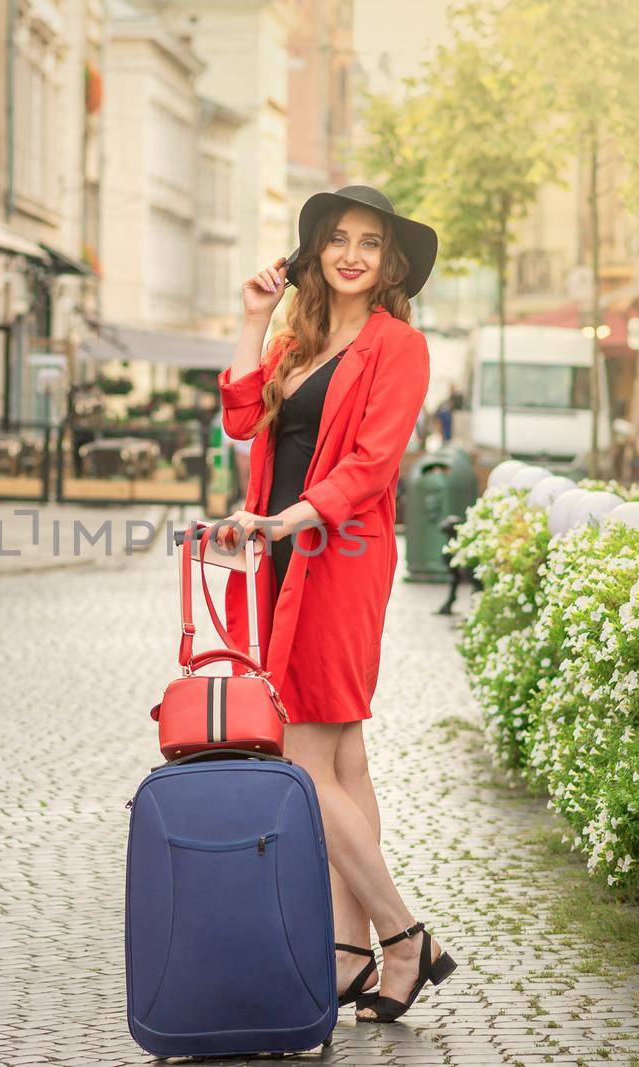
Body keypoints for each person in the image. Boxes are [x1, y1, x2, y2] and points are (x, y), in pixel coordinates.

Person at [212, 184, 459, 1023]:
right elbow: (244, 420)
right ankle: (354, 952)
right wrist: (254, 317)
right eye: (337, 239)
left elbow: (372, 460)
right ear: (313, 252)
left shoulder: (400, 347)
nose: (353, 253)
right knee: (343, 758)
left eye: (370, 242)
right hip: (281, 557)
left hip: (339, 557)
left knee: (297, 759)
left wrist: (294, 515)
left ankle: (402, 934)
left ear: (390, 262)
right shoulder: (298, 336)